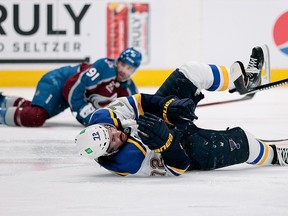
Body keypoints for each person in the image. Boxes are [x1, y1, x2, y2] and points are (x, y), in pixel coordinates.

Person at [75, 45, 288, 177]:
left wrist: (166, 107)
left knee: (190, 71)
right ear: (109, 152)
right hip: (182, 147)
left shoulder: (105, 116)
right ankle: (277, 156)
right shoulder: (130, 161)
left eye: (108, 131)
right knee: (244, 143)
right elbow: (178, 167)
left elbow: (140, 101)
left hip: (161, 120)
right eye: (111, 142)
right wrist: (167, 143)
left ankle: (244, 82)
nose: (115, 134)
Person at [0, 47, 142, 127]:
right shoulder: (105, 67)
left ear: (134, 70)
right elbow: (72, 86)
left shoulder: (129, 89)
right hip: (58, 82)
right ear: (117, 62)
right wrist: (82, 111)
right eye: (123, 64)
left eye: (129, 68)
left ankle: (3, 100)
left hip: (65, 94)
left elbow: (133, 111)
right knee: (36, 116)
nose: (124, 70)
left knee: (36, 110)